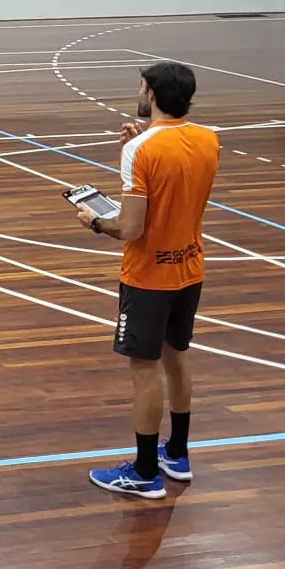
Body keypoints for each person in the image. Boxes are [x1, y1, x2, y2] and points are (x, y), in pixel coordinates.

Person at [80, 62, 217, 501]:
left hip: (148, 275)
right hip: (189, 267)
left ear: (153, 94)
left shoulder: (140, 151)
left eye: (141, 87)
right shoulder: (207, 140)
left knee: (144, 369)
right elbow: (176, 182)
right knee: (177, 357)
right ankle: (176, 453)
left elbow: (132, 228)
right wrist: (140, 143)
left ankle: (143, 471)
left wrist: (97, 223)